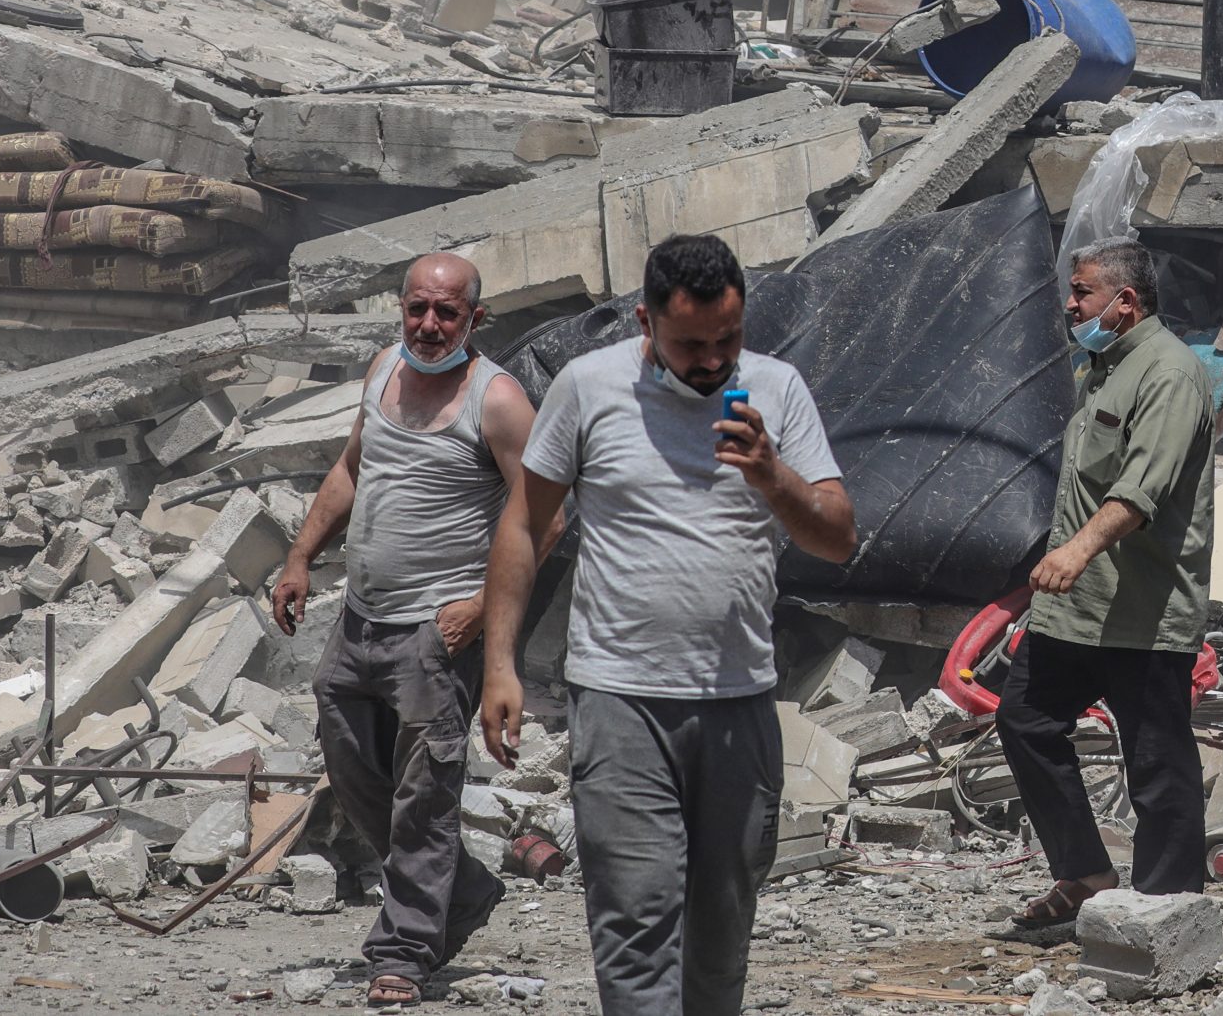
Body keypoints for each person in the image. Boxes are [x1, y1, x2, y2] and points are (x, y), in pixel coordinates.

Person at [477, 234, 855, 1016]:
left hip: (740, 702)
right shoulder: (587, 387)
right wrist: (500, 664)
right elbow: (523, 525)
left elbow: (838, 536)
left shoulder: (777, 391)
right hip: (621, 703)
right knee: (637, 923)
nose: (713, 359)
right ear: (645, 323)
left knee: (721, 933)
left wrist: (771, 474)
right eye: (690, 343)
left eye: (728, 339)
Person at [269, 253, 552, 1010]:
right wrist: (300, 556)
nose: (430, 326)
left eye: (447, 313)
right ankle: (460, 889)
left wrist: (483, 605)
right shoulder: (384, 368)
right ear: (401, 309)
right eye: (418, 309)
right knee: (352, 757)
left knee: (426, 794)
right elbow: (352, 468)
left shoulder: (496, 402)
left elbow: (545, 518)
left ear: (475, 319)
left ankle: (402, 950)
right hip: (361, 618)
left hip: (437, 633)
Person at [999, 238, 1214, 928]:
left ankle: (1166, 909)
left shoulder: (1169, 374)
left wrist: (1077, 549)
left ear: (1125, 301)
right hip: (1077, 607)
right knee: (1025, 719)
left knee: (1156, 764)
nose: (1071, 303)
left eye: (1082, 290)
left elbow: (1141, 487)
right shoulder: (1102, 365)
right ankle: (1087, 871)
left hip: (1142, 609)